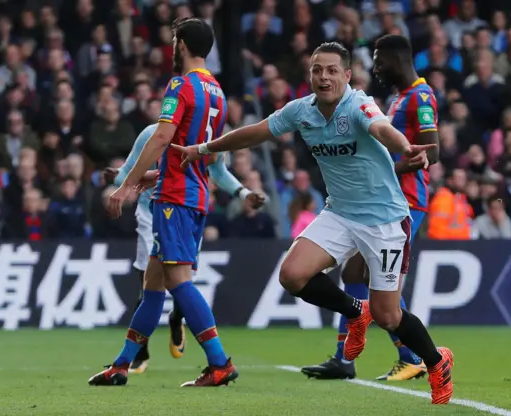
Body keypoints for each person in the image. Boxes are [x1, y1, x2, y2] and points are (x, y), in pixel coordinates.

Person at [172, 40, 454, 404]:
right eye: (317, 70)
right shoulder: (301, 111)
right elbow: (256, 131)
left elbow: (383, 129)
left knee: (388, 315)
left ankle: (436, 362)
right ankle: (355, 312)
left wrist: (405, 146)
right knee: (292, 275)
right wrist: (204, 149)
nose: (323, 77)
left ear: (347, 76)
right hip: (339, 213)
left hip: (385, 219)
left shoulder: (358, 103)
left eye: (332, 70)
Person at [89, 17, 241, 387]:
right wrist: (153, 176)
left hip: (175, 199)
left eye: (174, 41)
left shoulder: (181, 84)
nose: (172, 48)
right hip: (193, 192)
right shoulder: (217, 91)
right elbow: (198, 153)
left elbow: (161, 138)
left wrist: (126, 186)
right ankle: (122, 364)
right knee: (154, 285)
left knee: (177, 282)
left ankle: (220, 362)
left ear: (183, 45)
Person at [301, 34, 441, 382]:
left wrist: (382, 173)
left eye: (380, 59)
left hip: (401, 201)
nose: (376, 67)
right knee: (352, 275)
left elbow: (432, 151)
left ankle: (413, 357)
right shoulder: (399, 98)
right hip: (376, 199)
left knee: (377, 291)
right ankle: (344, 358)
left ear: (398, 58)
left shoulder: (421, 96)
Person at [102, 123, 265, 374]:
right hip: (152, 213)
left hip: (186, 212)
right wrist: (123, 176)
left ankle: (179, 324)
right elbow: (127, 175)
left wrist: (242, 193)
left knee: (177, 283)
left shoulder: (209, 139)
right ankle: (135, 357)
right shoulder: (151, 134)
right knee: (153, 282)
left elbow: (218, 171)